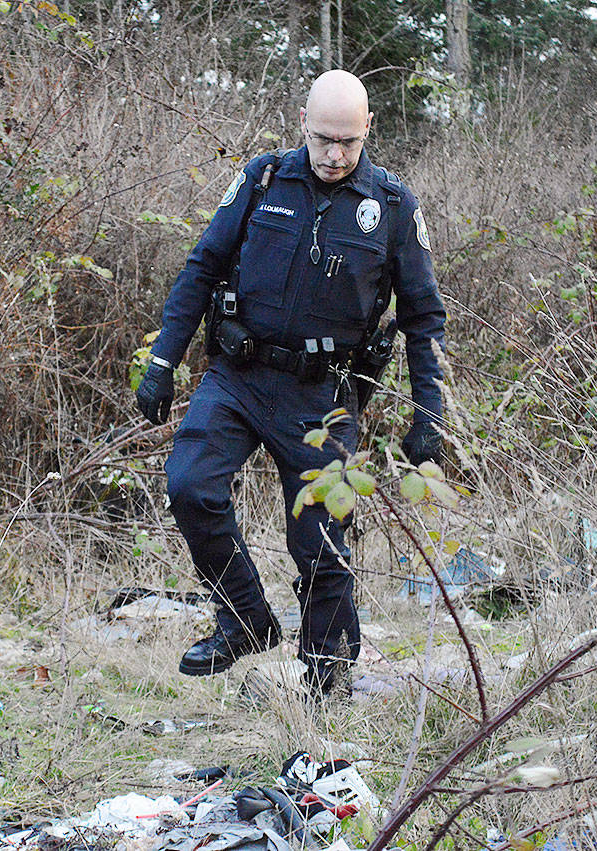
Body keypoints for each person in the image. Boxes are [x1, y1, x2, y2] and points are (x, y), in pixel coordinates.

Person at [134, 70, 446, 694]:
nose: (334, 155)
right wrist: (163, 362)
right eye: (324, 138)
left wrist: (429, 412)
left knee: (321, 544)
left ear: (367, 133)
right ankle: (246, 620)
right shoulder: (263, 179)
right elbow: (202, 268)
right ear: (302, 122)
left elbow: (423, 315)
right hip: (240, 376)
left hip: (322, 398)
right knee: (192, 486)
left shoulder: (390, 205)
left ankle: (326, 680)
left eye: (348, 143)